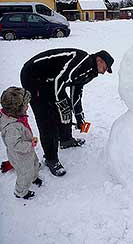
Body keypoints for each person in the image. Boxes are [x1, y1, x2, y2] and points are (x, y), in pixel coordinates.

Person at [20, 48, 114, 177]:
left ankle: (65, 139)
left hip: (52, 80)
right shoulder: (82, 60)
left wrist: (79, 117)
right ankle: (50, 158)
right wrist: (59, 105)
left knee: (65, 108)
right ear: (99, 60)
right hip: (33, 77)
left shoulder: (90, 71)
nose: (105, 72)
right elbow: (60, 81)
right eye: (105, 68)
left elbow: (76, 92)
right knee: (47, 119)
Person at [0, 87, 42, 200]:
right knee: (24, 174)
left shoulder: (16, 117)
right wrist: (30, 145)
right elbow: (14, 145)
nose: (28, 107)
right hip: (20, 156)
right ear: (16, 110)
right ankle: (21, 192)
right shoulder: (11, 128)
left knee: (34, 163)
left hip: (27, 151)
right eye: (25, 106)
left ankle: (34, 177)